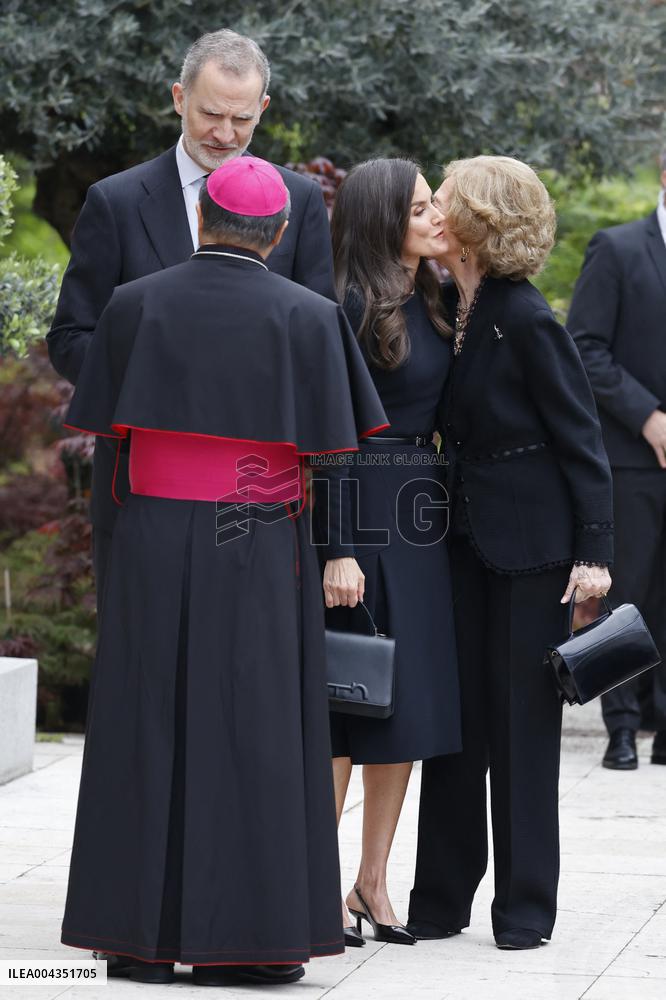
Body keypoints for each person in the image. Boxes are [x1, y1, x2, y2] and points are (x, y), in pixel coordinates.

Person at [59, 157, 388, 986]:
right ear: (277, 235)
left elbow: (104, 421)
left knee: (146, 721)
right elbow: (336, 447)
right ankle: (250, 945)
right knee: (256, 728)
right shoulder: (311, 317)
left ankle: (135, 941)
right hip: (258, 538)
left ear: (202, 218)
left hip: (151, 536)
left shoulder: (133, 305)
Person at [47, 28, 335, 603]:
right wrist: (160, 384)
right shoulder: (115, 201)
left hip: (261, 495)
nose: (224, 134)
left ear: (263, 109)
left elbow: (318, 341)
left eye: (242, 119)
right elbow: (71, 337)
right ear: (179, 98)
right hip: (141, 491)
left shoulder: (298, 201)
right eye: (210, 114)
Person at [406, 156, 613, 950]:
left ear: (478, 221)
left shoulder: (524, 317)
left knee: (523, 729)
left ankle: (525, 908)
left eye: (444, 199)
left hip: (533, 553)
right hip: (458, 545)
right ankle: (439, 901)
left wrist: (594, 553)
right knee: (455, 726)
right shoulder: (448, 304)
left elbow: (582, 439)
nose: (433, 209)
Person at [312, 158, 461, 947]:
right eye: (421, 208)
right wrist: (337, 549)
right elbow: (329, 433)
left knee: (403, 705)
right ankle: (316, 884)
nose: (437, 217)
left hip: (421, 513)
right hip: (362, 507)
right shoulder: (346, 303)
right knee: (347, 702)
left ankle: (372, 883)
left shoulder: (438, 294)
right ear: (381, 219)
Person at [568, 154, 666, 770]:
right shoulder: (618, 248)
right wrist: (648, 416)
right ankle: (621, 727)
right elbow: (585, 346)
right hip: (631, 457)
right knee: (624, 593)